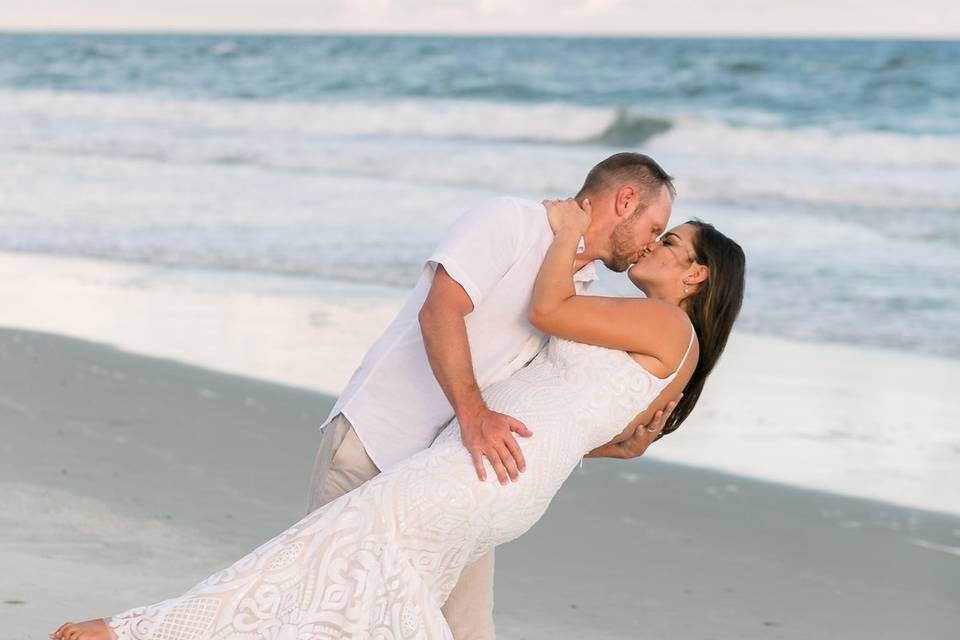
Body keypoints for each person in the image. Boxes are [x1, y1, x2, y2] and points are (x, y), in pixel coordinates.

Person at [52, 196, 746, 640]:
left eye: (671, 243)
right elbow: (613, 437)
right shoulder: (671, 346)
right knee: (380, 590)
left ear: (696, 278)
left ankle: (131, 634)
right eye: (658, 230)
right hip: (506, 474)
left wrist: (566, 232)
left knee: (326, 550)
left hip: (482, 467)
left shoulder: (657, 320)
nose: (654, 245)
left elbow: (548, 312)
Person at [305, 153, 679, 639]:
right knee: (330, 619)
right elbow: (439, 311)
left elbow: (537, 406)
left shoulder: (574, 287)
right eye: (655, 227)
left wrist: (612, 449)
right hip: (375, 445)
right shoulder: (511, 222)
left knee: (469, 631)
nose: (651, 245)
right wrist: (474, 413)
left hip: (454, 478)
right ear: (625, 200)